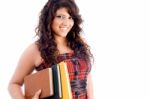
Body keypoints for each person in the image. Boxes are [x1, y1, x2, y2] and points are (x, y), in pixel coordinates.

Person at [8, 0, 94, 99]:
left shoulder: (80, 44)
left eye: (70, 18)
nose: (66, 22)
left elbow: (87, 77)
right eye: (60, 17)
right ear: (49, 18)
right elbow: (14, 84)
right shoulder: (36, 49)